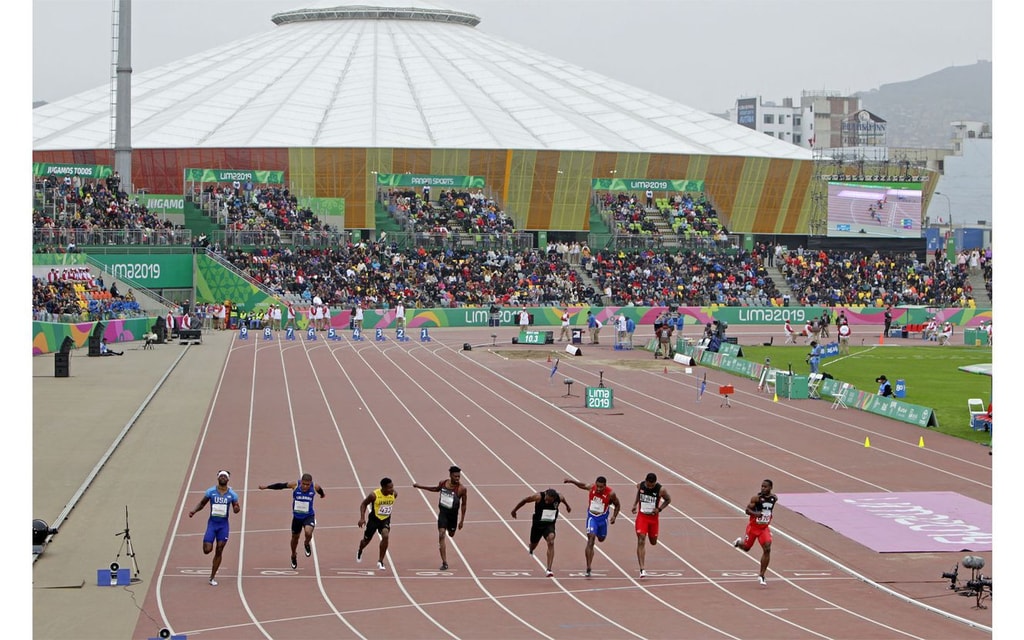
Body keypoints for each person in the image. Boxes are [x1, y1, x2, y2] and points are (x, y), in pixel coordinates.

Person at [259, 473, 326, 570]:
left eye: (308, 485)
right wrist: (266, 487)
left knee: (308, 532)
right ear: (301, 482)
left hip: (309, 516)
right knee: (295, 539)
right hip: (297, 518)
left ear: (310, 483)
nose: (305, 486)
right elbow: (280, 486)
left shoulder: (315, 486)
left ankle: (306, 543)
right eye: (303, 484)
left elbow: (320, 491)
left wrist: (322, 495)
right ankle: (293, 555)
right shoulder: (294, 485)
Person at [188, 470, 241, 586]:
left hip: (223, 525)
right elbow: (202, 504)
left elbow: (236, 508)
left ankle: (212, 576)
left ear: (228, 480)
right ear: (218, 478)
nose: (223, 478)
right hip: (212, 524)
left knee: (220, 549)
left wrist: (237, 508)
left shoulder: (232, 495)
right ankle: (212, 560)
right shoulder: (210, 492)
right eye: (221, 476)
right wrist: (194, 511)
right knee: (207, 550)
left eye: (225, 476)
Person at [413, 465, 468, 571]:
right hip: (443, 513)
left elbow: (464, 504)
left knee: (451, 534)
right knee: (441, 534)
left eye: (459, 477)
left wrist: (462, 520)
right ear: (450, 475)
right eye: (455, 476)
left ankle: (450, 529)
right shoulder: (443, 483)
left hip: (453, 516)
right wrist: (420, 486)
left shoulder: (462, 489)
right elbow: (435, 489)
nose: (457, 478)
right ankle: (444, 562)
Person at [563, 476, 620, 577]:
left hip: (602, 519)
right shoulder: (592, 487)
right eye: (597, 486)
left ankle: (600, 533)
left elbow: (617, 505)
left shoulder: (611, 494)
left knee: (601, 538)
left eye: (601, 487)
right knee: (591, 539)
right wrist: (571, 481)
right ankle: (588, 566)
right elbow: (582, 485)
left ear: (605, 486)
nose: (598, 489)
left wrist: (614, 516)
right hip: (592, 518)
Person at [511, 488, 571, 577]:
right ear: (545, 495)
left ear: (554, 499)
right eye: (546, 499)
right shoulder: (538, 496)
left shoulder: (559, 497)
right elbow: (525, 500)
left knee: (551, 541)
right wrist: (514, 510)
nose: (547, 502)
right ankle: (531, 548)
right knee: (533, 545)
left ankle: (549, 569)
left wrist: (567, 506)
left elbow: (563, 500)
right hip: (537, 525)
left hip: (549, 524)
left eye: (550, 501)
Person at [733, 479, 778, 586]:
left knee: (767, 548)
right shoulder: (756, 498)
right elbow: (747, 510)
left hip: (764, 528)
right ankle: (739, 542)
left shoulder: (774, 498)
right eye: (762, 486)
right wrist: (755, 513)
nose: (763, 488)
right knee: (747, 548)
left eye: (765, 487)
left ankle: (762, 575)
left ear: (770, 488)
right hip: (753, 528)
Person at [631, 472, 671, 578]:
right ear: (646, 481)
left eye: (652, 486)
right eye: (648, 485)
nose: (649, 487)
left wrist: (659, 509)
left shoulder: (661, 490)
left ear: (655, 483)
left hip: (653, 519)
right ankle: (642, 569)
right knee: (641, 539)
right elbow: (639, 493)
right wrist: (635, 505)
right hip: (642, 517)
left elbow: (668, 500)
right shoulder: (640, 485)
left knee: (653, 542)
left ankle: (642, 568)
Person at [357, 477, 397, 571]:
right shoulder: (374, 495)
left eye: (392, 487)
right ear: (383, 488)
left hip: (385, 520)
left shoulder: (394, 494)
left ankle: (380, 561)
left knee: (385, 535)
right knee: (365, 541)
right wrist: (362, 518)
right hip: (374, 520)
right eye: (390, 488)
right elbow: (363, 504)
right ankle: (360, 549)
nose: (392, 489)